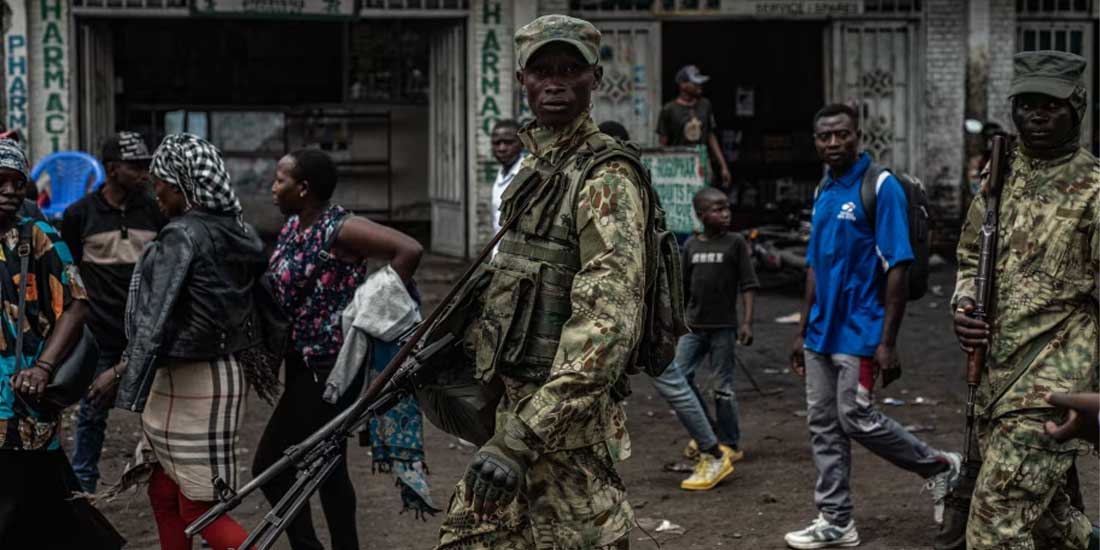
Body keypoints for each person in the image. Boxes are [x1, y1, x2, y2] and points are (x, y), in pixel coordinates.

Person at [436, 14, 648, 550]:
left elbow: (607, 327)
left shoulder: (605, 178)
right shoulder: (537, 169)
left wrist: (520, 437)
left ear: (595, 78)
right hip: (512, 414)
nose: (555, 83)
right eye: (542, 71)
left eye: (570, 69)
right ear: (522, 80)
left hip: (564, 435)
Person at [784, 104, 961, 549]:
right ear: (816, 141)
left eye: (841, 134)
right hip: (821, 332)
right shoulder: (824, 188)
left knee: (855, 416)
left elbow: (897, 265)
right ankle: (836, 520)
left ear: (857, 136)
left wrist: (888, 342)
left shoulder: (880, 186)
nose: (833, 143)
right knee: (823, 425)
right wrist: (802, 329)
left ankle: (939, 466)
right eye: (824, 136)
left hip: (861, 330)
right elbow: (814, 264)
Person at [88, 133, 270, 550]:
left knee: (198, 509)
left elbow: (158, 320)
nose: (156, 194)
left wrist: (122, 371)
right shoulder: (238, 230)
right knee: (163, 490)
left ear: (183, 186)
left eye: (161, 184)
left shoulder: (181, 235)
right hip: (217, 373)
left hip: (192, 379)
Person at [952, 50, 1097, 550]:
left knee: (994, 529)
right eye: (1027, 104)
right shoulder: (1000, 179)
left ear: (1077, 107)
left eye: (1051, 105)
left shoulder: (1094, 190)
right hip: (996, 376)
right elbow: (970, 257)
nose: (1036, 115)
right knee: (1051, 523)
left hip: (1054, 383)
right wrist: (963, 307)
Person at [253, 147, 423, 550]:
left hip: (331, 366)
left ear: (304, 188)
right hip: (301, 363)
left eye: (280, 180)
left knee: (271, 466)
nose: (273, 187)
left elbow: (409, 250)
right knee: (328, 466)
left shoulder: (341, 228)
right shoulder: (294, 226)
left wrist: (371, 305)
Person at [0, 138, 93, 548]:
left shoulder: (35, 235)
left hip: (22, 398)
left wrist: (43, 368)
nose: (9, 191)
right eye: (0, 181)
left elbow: (77, 304)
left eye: (17, 183)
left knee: (25, 501)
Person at [63, 131, 165, 493]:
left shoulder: (155, 211)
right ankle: (83, 489)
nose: (143, 173)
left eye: (144, 165)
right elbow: (70, 274)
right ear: (110, 169)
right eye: (134, 166)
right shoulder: (80, 214)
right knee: (92, 413)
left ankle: (169, 485)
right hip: (101, 334)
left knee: (161, 414)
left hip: (147, 335)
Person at [650, 186, 756, 491]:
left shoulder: (735, 243)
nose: (725, 214)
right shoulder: (692, 246)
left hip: (723, 326)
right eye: (717, 209)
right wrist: (675, 323)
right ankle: (706, 432)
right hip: (694, 327)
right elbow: (681, 289)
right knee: (680, 376)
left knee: (723, 387)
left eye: (726, 208)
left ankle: (729, 443)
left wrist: (746, 322)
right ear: (700, 215)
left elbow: (748, 285)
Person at [657, 64, 731, 190]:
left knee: (704, 196)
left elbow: (710, 136)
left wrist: (723, 166)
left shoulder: (705, 105)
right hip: (678, 165)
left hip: (702, 163)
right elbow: (663, 144)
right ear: (683, 85)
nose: (699, 85)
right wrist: (663, 172)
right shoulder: (669, 110)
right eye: (695, 83)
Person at [490, 119, 525, 234]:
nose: (502, 148)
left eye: (508, 142)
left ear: (522, 143)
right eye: (497, 143)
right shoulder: (501, 173)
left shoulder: (527, 174)